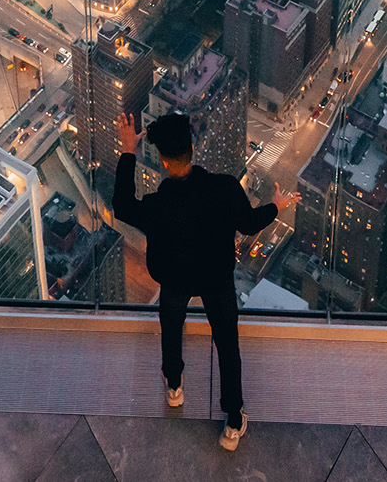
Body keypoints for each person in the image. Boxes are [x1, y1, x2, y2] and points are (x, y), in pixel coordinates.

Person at [113, 109, 286, 449]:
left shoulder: (157, 205)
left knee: (171, 327)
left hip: (174, 279)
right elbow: (250, 223)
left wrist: (128, 149)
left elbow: (121, 205)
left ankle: (174, 385)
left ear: (162, 161)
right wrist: (275, 206)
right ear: (192, 149)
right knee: (227, 345)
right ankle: (233, 422)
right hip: (215, 278)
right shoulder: (223, 187)